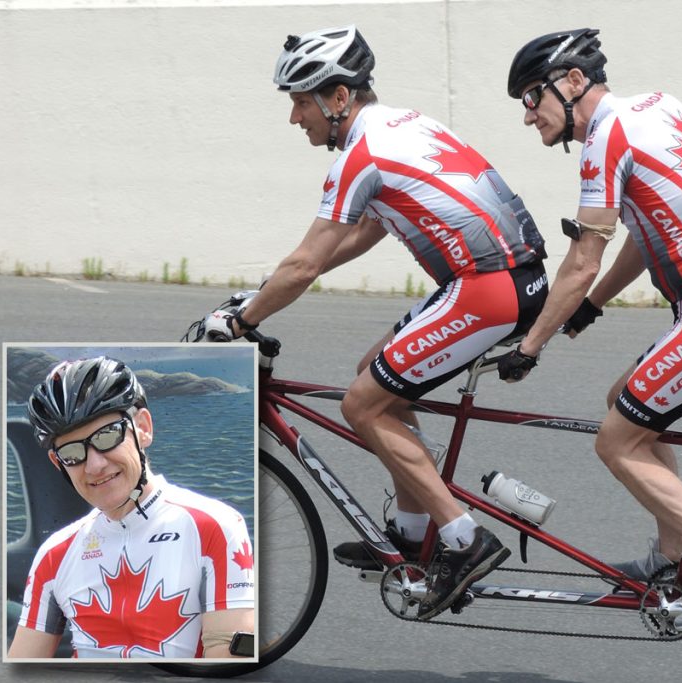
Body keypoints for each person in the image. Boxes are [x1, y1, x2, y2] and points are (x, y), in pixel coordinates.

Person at [203, 25, 548, 620]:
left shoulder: (361, 154)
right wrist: (263, 295)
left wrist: (240, 320)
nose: (294, 118)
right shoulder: (402, 125)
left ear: (339, 97)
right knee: (376, 374)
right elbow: (364, 230)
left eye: (301, 102)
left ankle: (465, 540)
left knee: (362, 405)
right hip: (506, 280)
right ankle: (412, 534)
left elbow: (306, 262)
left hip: (487, 288)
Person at [502, 28, 682, 632]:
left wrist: (530, 346)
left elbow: (582, 261)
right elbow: (643, 228)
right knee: (625, 403)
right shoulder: (661, 106)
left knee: (616, 442)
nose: (528, 115)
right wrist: (591, 307)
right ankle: (670, 557)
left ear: (573, 81)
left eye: (532, 97)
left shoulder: (603, 139)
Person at [8, 357, 255, 658]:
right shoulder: (54, 555)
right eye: (72, 453)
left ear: (143, 428)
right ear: (58, 463)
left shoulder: (214, 526)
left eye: (107, 436)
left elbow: (228, 661)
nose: (94, 465)